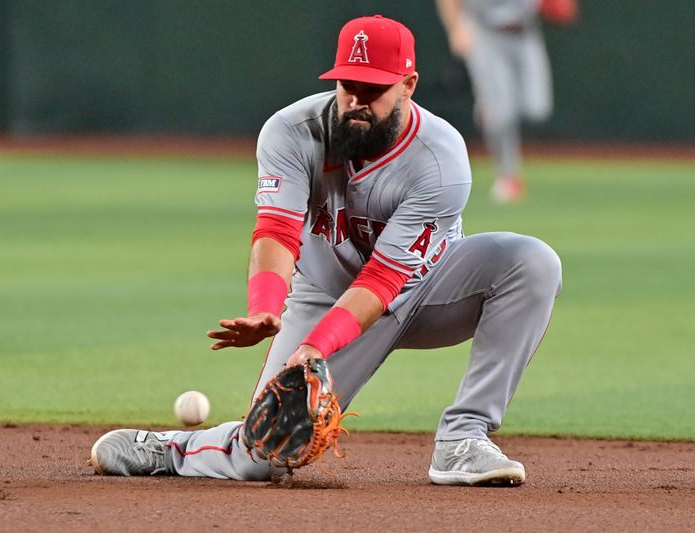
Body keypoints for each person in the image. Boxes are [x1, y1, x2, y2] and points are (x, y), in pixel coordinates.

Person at [90, 14, 562, 486]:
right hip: (325, 295)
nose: (356, 101)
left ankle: (463, 438)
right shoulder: (291, 131)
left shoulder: (441, 157)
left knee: (531, 261)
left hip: (429, 289)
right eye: (347, 86)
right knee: (265, 454)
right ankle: (172, 449)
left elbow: (384, 279)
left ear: (409, 84)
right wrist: (265, 308)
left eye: (373, 89)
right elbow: (276, 230)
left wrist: (316, 346)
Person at [435, 0, 577, 203]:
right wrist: (456, 28)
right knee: (502, 115)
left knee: (538, 109)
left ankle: (487, 106)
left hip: (526, 33)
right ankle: (509, 176)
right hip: (485, 33)